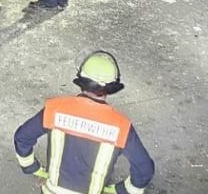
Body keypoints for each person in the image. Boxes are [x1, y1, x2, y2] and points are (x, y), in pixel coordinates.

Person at [14, 51, 155, 194]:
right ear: (110, 89)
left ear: (82, 82)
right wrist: (121, 189)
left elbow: (22, 137)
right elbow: (145, 170)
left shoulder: (55, 109)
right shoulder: (121, 127)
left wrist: (33, 168)